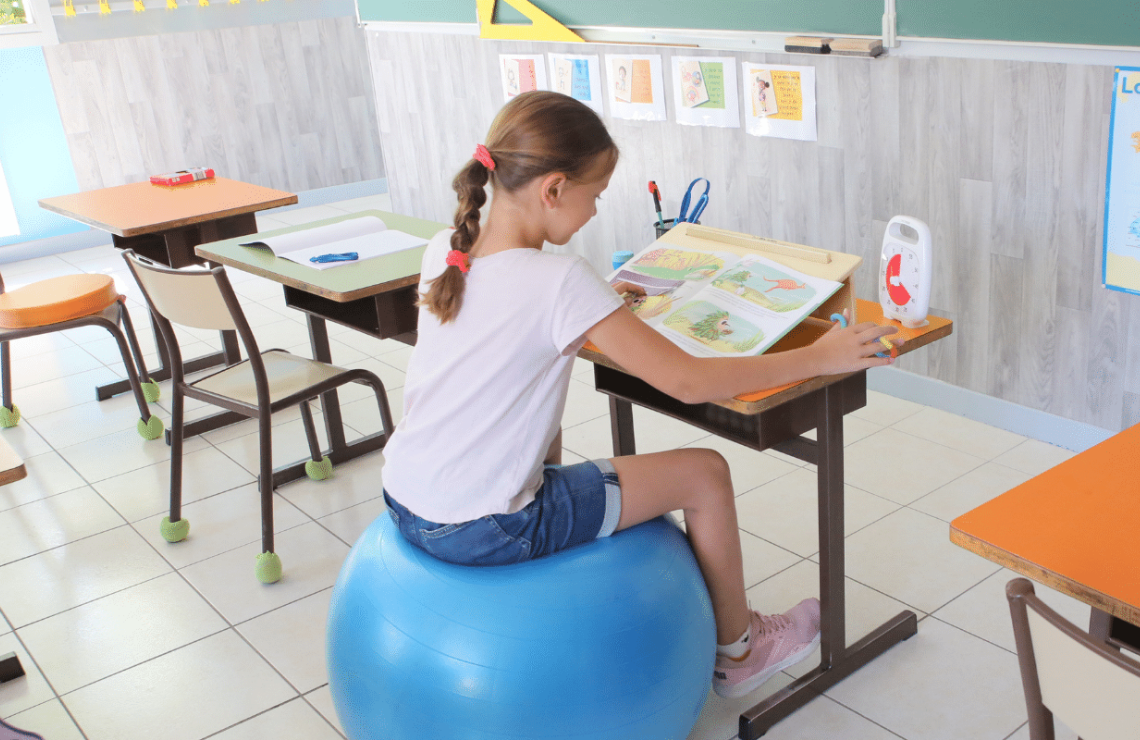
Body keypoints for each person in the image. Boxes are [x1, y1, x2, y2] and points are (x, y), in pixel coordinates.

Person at [380, 91, 901, 700]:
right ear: (553, 189)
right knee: (705, 473)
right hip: (487, 527)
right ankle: (739, 653)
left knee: (577, 465)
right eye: (594, 194)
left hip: (407, 499)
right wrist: (822, 356)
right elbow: (686, 381)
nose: (596, 211)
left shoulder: (447, 250)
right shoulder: (561, 281)